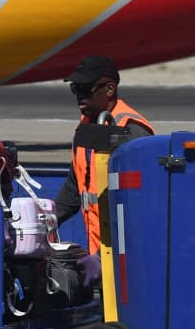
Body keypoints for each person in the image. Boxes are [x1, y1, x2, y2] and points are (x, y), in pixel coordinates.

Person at [51, 56, 154, 253]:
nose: (80, 96)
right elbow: (74, 188)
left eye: (85, 88)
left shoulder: (131, 131)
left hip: (126, 254)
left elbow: (139, 207)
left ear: (109, 89)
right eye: (75, 89)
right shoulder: (86, 127)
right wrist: (46, 221)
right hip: (99, 250)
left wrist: (101, 258)